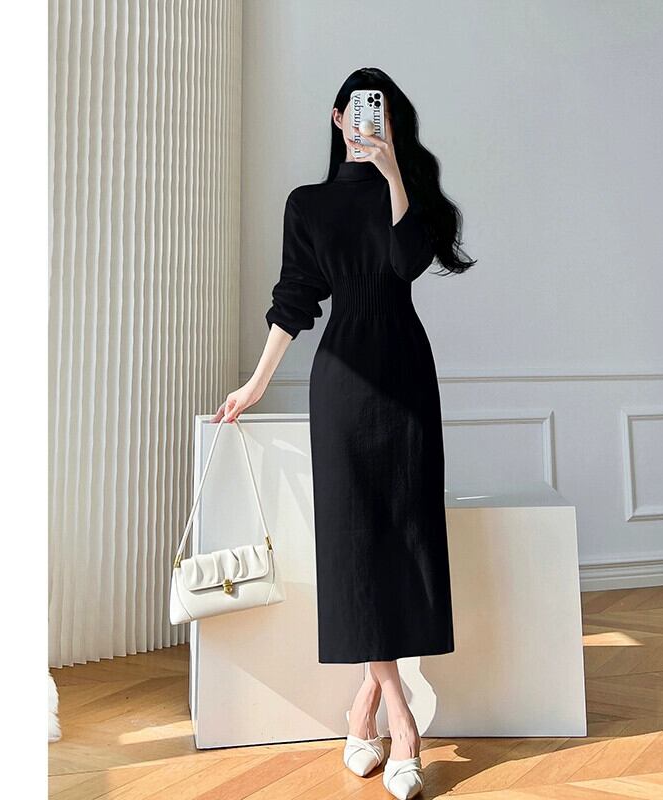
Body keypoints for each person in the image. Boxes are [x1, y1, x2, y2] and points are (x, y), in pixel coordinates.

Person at [212, 66, 475, 800]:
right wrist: (255, 384)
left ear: (391, 121)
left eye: (381, 112)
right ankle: (403, 719)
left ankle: (363, 708)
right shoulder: (308, 204)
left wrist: (393, 174)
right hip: (343, 386)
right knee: (354, 547)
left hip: (407, 379)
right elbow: (295, 298)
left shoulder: (412, 195)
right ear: (338, 119)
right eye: (360, 112)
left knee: (406, 538)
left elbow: (406, 263)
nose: (369, 120)